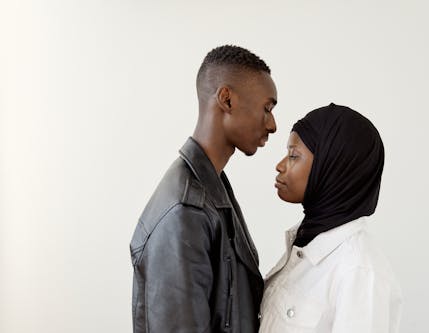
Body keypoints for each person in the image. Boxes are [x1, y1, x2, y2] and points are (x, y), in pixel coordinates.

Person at [130, 45, 278, 333]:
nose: (272, 125)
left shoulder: (212, 189)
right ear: (227, 99)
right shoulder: (185, 210)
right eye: (267, 108)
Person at [259, 103, 402, 332]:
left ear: (333, 166)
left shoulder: (359, 272)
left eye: (294, 155)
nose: (280, 165)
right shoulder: (305, 241)